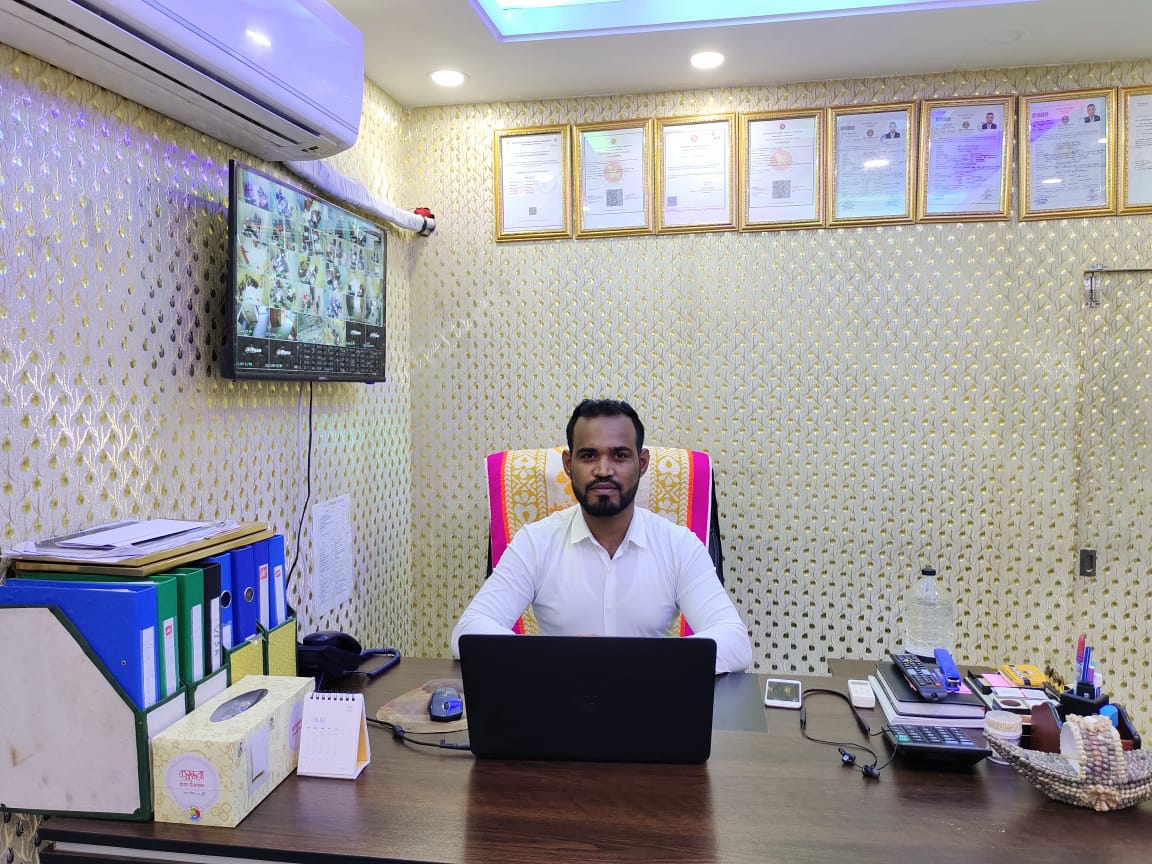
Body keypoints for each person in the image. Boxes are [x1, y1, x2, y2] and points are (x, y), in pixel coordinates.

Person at [451, 399, 753, 673]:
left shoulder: (679, 545)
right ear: (569, 465)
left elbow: (734, 642)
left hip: (651, 705)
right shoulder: (535, 542)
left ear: (642, 463)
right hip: (558, 710)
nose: (603, 469)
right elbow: (469, 632)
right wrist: (561, 657)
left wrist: (633, 660)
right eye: (589, 456)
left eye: (620, 455)